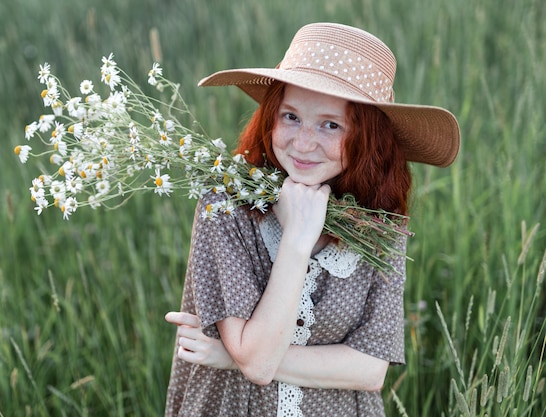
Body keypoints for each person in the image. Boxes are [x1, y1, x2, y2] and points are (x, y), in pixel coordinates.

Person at [164, 22, 460, 416]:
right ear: (270, 115)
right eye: (290, 117)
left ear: (368, 139)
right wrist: (298, 239)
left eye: (330, 125)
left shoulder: (379, 224)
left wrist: (228, 356)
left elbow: (370, 370)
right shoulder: (226, 204)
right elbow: (257, 360)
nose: (303, 143)